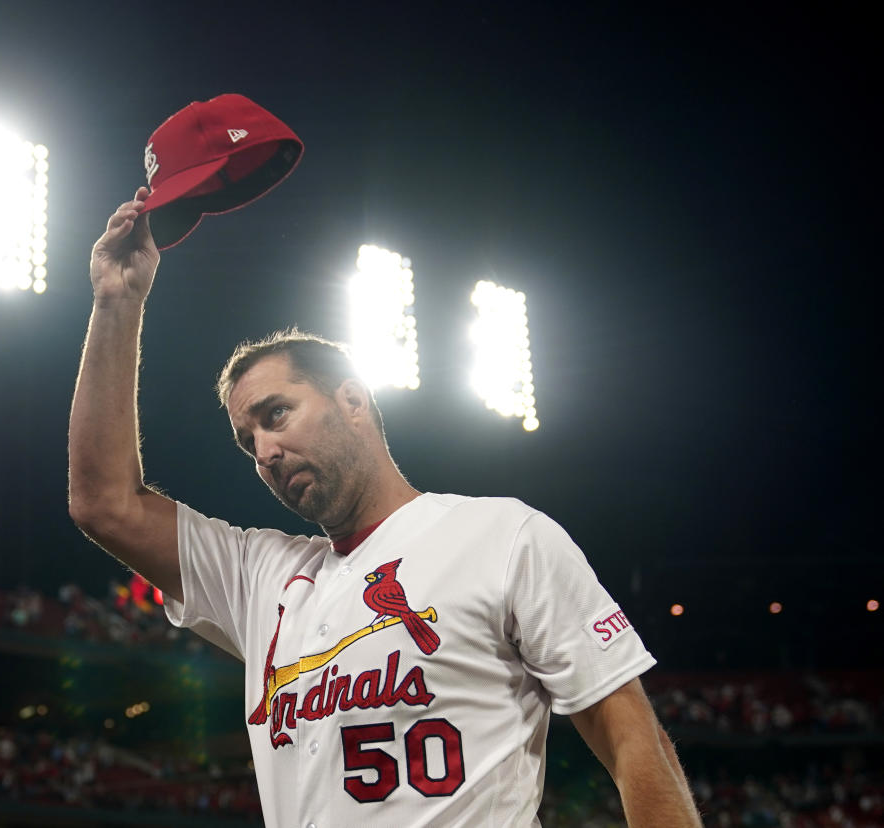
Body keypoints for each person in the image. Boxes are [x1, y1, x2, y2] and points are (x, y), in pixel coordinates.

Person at [68, 187, 703, 827]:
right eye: (247, 439)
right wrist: (117, 302)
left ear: (353, 400)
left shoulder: (505, 536)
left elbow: (633, 742)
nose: (265, 449)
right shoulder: (259, 578)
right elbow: (105, 505)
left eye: (276, 413)